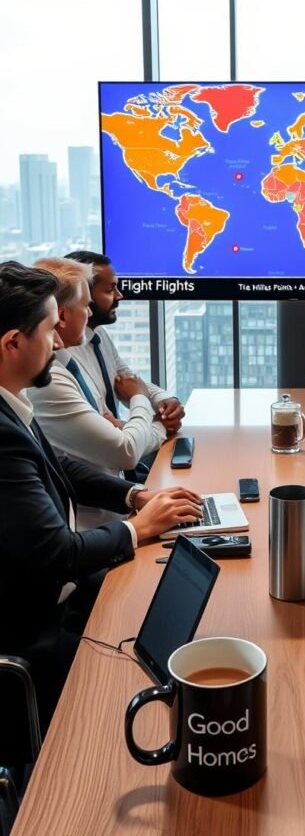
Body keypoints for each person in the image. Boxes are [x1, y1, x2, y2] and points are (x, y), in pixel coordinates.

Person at [0, 260, 203, 729]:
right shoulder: (1, 435)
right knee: (139, 681)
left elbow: (61, 467)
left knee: (154, 603)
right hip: (30, 630)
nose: (58, 342)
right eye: (51, 330)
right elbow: (56, 552)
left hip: (54, 597)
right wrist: (138, 529)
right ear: (13, 342)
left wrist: (135, 499)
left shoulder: (13, 401)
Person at [29, 257, 167, 488]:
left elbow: (127, 379)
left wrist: (159, 402)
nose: (90, 314)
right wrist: (157, 421)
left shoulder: (78, 352)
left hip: (118, 494)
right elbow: (126, 450)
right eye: (85, 306)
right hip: (94, 516)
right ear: (61, 316)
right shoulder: (49, 379)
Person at [63, 250, 185, 440]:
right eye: (110, 290)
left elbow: (128, 380)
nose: (119, 296)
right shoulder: (63, 359)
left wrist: (164, 401)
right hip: (107, 463)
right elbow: (119, 443)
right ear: (83, 296)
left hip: (125, 457)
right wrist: (157, 423)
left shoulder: (99, 335)